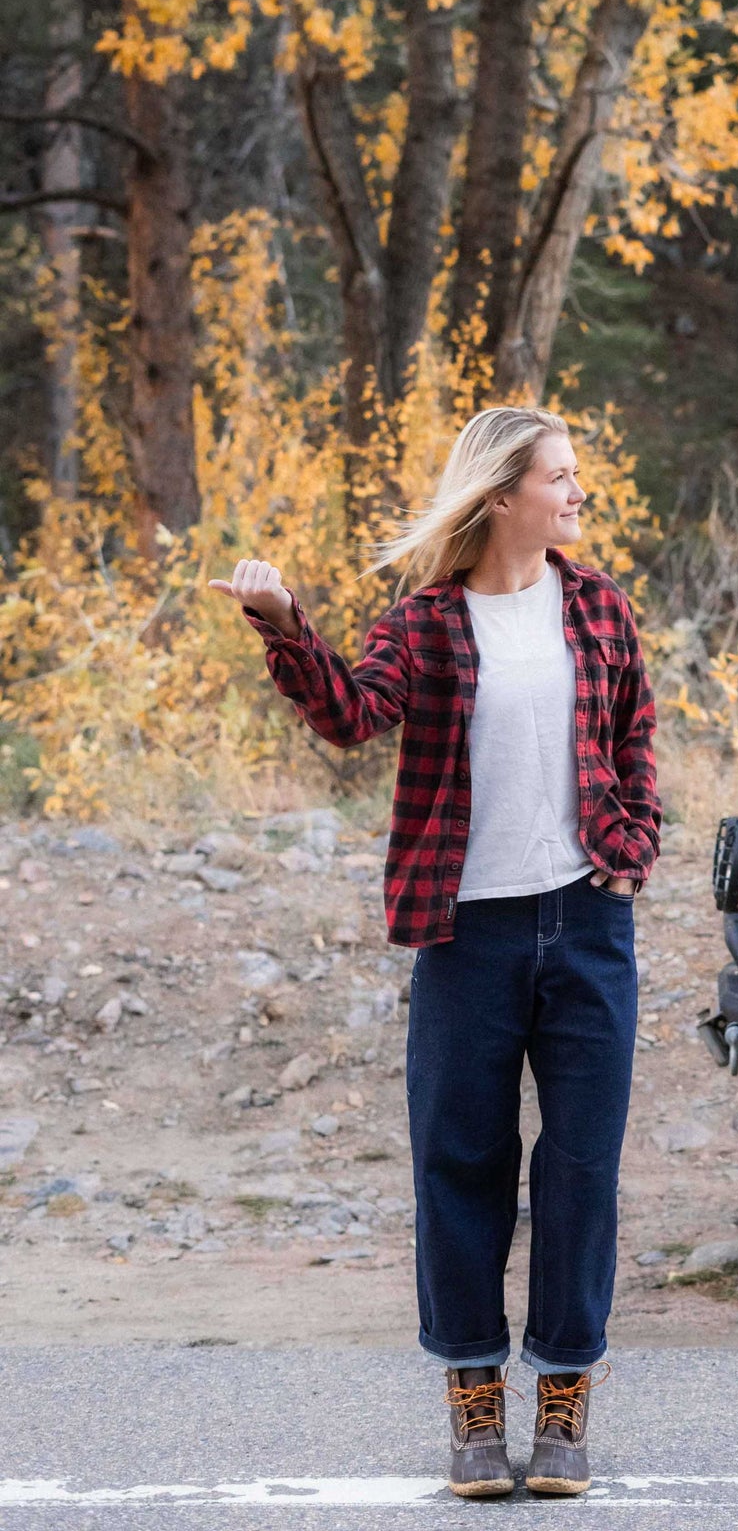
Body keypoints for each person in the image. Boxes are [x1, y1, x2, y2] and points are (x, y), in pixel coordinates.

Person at [208, 406, 659, 1499]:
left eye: (577, 474)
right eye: (561, 475)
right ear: (502, 494)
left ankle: (562, 1404)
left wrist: (634, 844)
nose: (577, 492)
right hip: (468, 935)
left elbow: (636, 733)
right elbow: (351, 716)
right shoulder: (426, 621)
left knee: (580, 1168)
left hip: (587, 923)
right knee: (460, 1167)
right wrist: (281, 622)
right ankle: (471, 1406)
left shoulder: (598, 605)